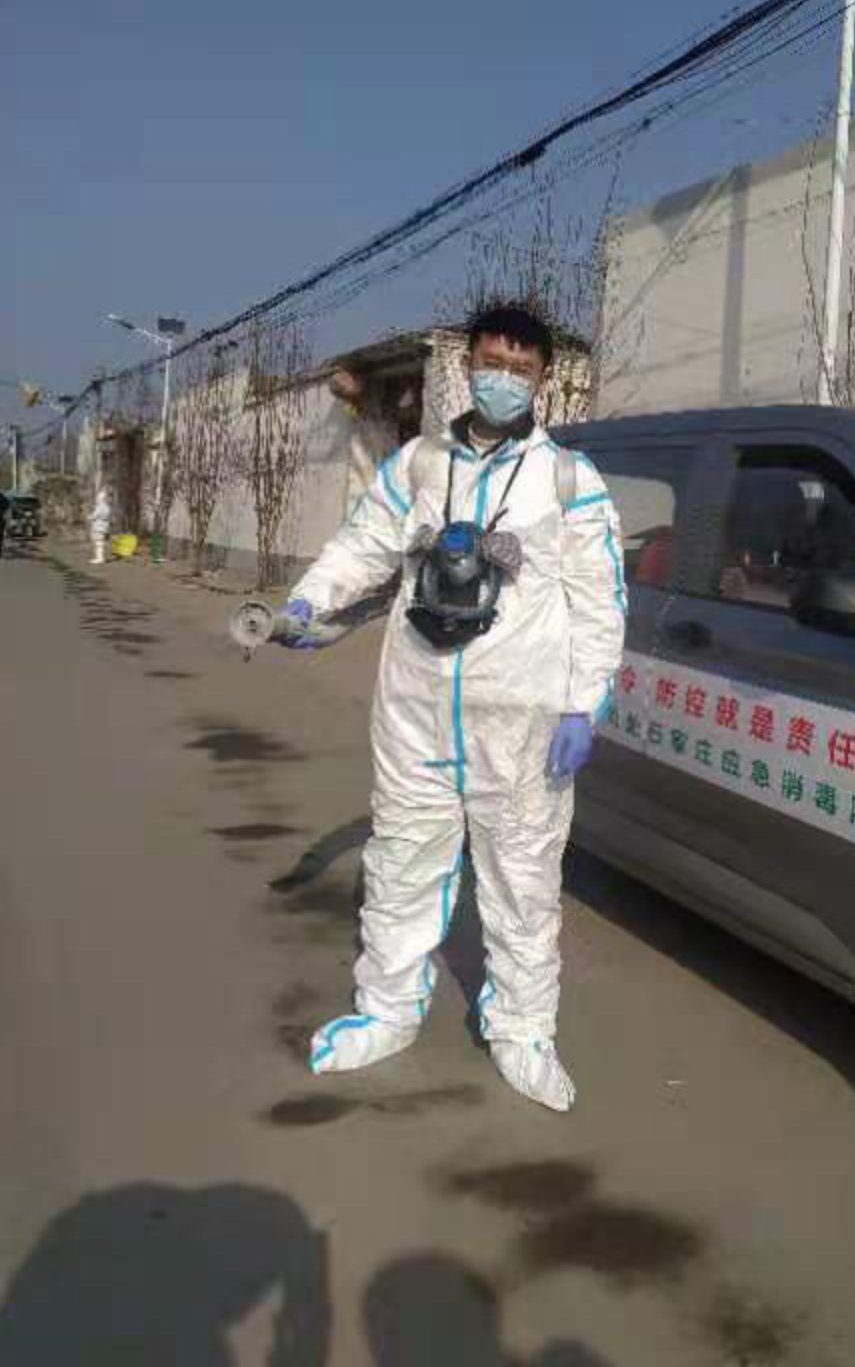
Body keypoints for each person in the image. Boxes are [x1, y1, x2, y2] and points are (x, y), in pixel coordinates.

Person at [280, 304, 626, 1112]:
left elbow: (599, 602)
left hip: (522, 720)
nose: (504, 379)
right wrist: (307, 602)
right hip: (417, 709)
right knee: (402, 862)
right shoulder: (418, 464)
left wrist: (583, 706)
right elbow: (363, 544)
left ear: (544, 380)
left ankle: (523, 1032)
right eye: (492, 363)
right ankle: (386, 1011)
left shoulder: (568, 481)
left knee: (523, 880)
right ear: (467, 365)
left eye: (522, 369)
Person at [89, 487, 112, 566]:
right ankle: (100, 558)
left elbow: (95, 515)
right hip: (104, 526)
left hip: (98, 526)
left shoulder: (100, 507)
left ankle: (100, 558)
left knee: (98, 543)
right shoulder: (107, 507)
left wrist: (89, 517)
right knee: (100, 542)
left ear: (100, 498)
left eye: (98, 498)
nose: (97, 499)